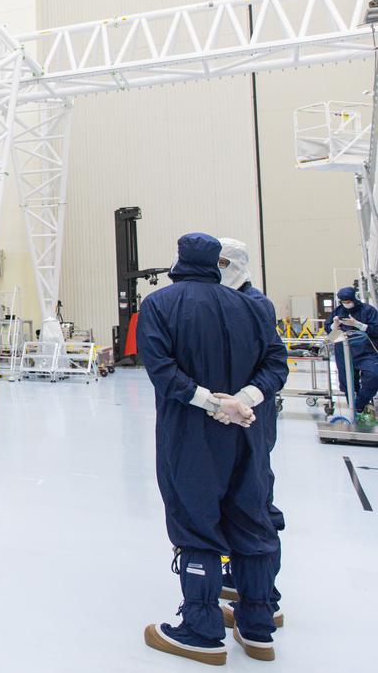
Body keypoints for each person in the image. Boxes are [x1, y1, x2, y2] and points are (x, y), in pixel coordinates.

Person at [138, 233, 288, 665]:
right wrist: (242, 400)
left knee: (197, 524)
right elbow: (276, 364)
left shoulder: (161, 305)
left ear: (180, 259)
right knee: (252, 521)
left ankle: (201, 631)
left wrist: (210, 401)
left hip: (191, 433)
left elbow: (163, 373)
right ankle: (258, 627)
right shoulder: (251, 306)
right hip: (248, 429)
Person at [217, 237, 285, 629]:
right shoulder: (217, 302)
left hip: (251, 422)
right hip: (225, 419)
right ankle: (242, 580)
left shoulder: (256, 304)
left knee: (256, 507)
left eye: (223, 261)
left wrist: (243, 399)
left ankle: (264, 600)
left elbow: (275, 365)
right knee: (233, 506)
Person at [328, 285, 378, 418]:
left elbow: (376, 329)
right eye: (344, 302)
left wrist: (358, 325)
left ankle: (359, 405)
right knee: (347, 383)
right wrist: (335, 325)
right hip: (344, 351)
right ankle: (355, 413)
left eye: (348, 301)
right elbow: (329, 330)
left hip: (366, 351)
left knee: (374, 376)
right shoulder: (338, 311)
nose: (346, 304)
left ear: (354, 298)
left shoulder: (368, 311)